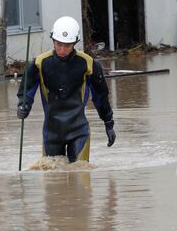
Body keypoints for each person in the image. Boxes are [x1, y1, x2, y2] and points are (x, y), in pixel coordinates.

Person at [16, 16, 116, 163]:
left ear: (75, 43)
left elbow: (101, 97)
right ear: (53, 41)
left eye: (67, 45)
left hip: (79, 131)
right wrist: (23, 105)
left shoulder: (89, 64)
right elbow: (26, 92)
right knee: (53, 179)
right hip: (51, 133)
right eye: (59, 44)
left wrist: (108, 123)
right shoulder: (38, 64)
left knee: (81, 175)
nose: (62, 49)